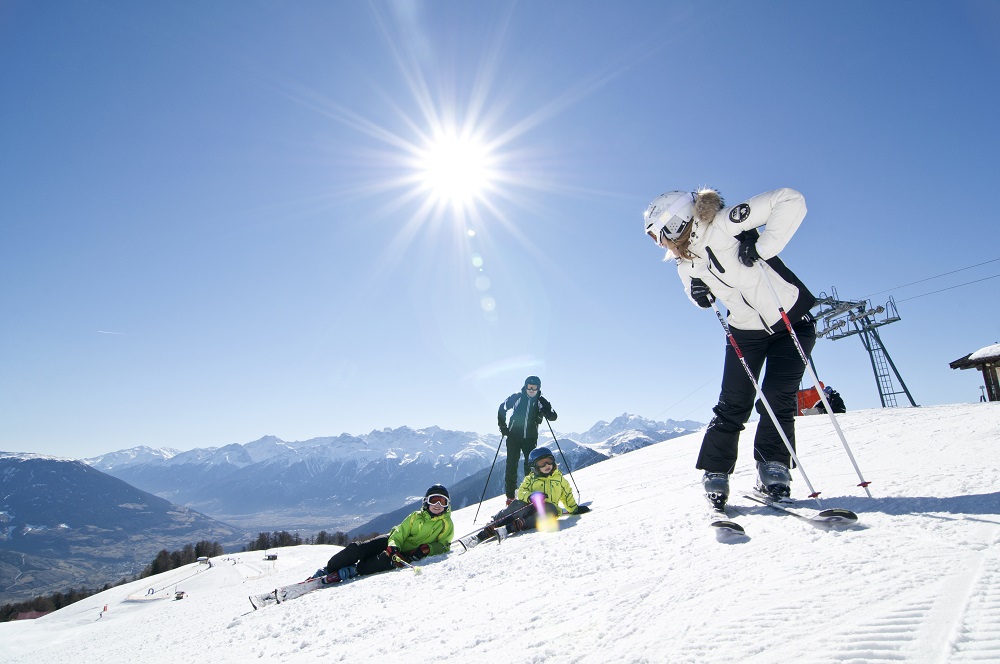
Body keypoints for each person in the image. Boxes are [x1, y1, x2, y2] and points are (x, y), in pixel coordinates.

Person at [643, 188, 817, 509]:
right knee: (733, 403)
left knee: (778, 398)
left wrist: (763, 247)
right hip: (745, 332)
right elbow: (695, 295)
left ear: (675, 221)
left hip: (790, 319)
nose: (662, 243)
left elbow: (790, 200)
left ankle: (773, 467)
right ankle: (716, 471)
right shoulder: (685, 263)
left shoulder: (725, 223)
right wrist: (698, 294)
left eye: (659, 234)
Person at [309, 484, 455, 582]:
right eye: (434, 500)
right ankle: (329, 569)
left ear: (447, 505)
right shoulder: (416, 517)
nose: (438, 505)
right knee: (359, 548)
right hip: (391, 541)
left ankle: (352, 571)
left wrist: (428, 549)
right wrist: (393, 545)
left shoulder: (446, 524)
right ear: (426, 502)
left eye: (442, 502)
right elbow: (400, 532)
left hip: (405, 554)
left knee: (383, 561)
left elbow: (444, 545)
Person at [467, 447, 589, 546]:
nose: (547, 465)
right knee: (517, 504)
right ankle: (491, 527)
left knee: (552, 510)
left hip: (547, 509)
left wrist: (575, 509)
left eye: (549, 461)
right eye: (542, 463)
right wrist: (530, 496)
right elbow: (520, 492)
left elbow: (567, 496)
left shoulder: (560, 481)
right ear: (534, 466)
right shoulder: (530, 479)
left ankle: (515, 526)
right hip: (530, 506)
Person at [497, 376, 557, 502]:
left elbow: (553, 416)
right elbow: (502, 408)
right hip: (513, 436)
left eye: (534, 387)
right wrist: (502, 426)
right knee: (511, 465)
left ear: (538, 388)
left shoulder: (541, 401)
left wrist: (547, 412)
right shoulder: (517, 397)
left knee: (530, 466)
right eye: (529, 386)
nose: (531, 389)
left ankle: (529, 495)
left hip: (530, 438)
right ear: (525, 386)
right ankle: (510, 498)